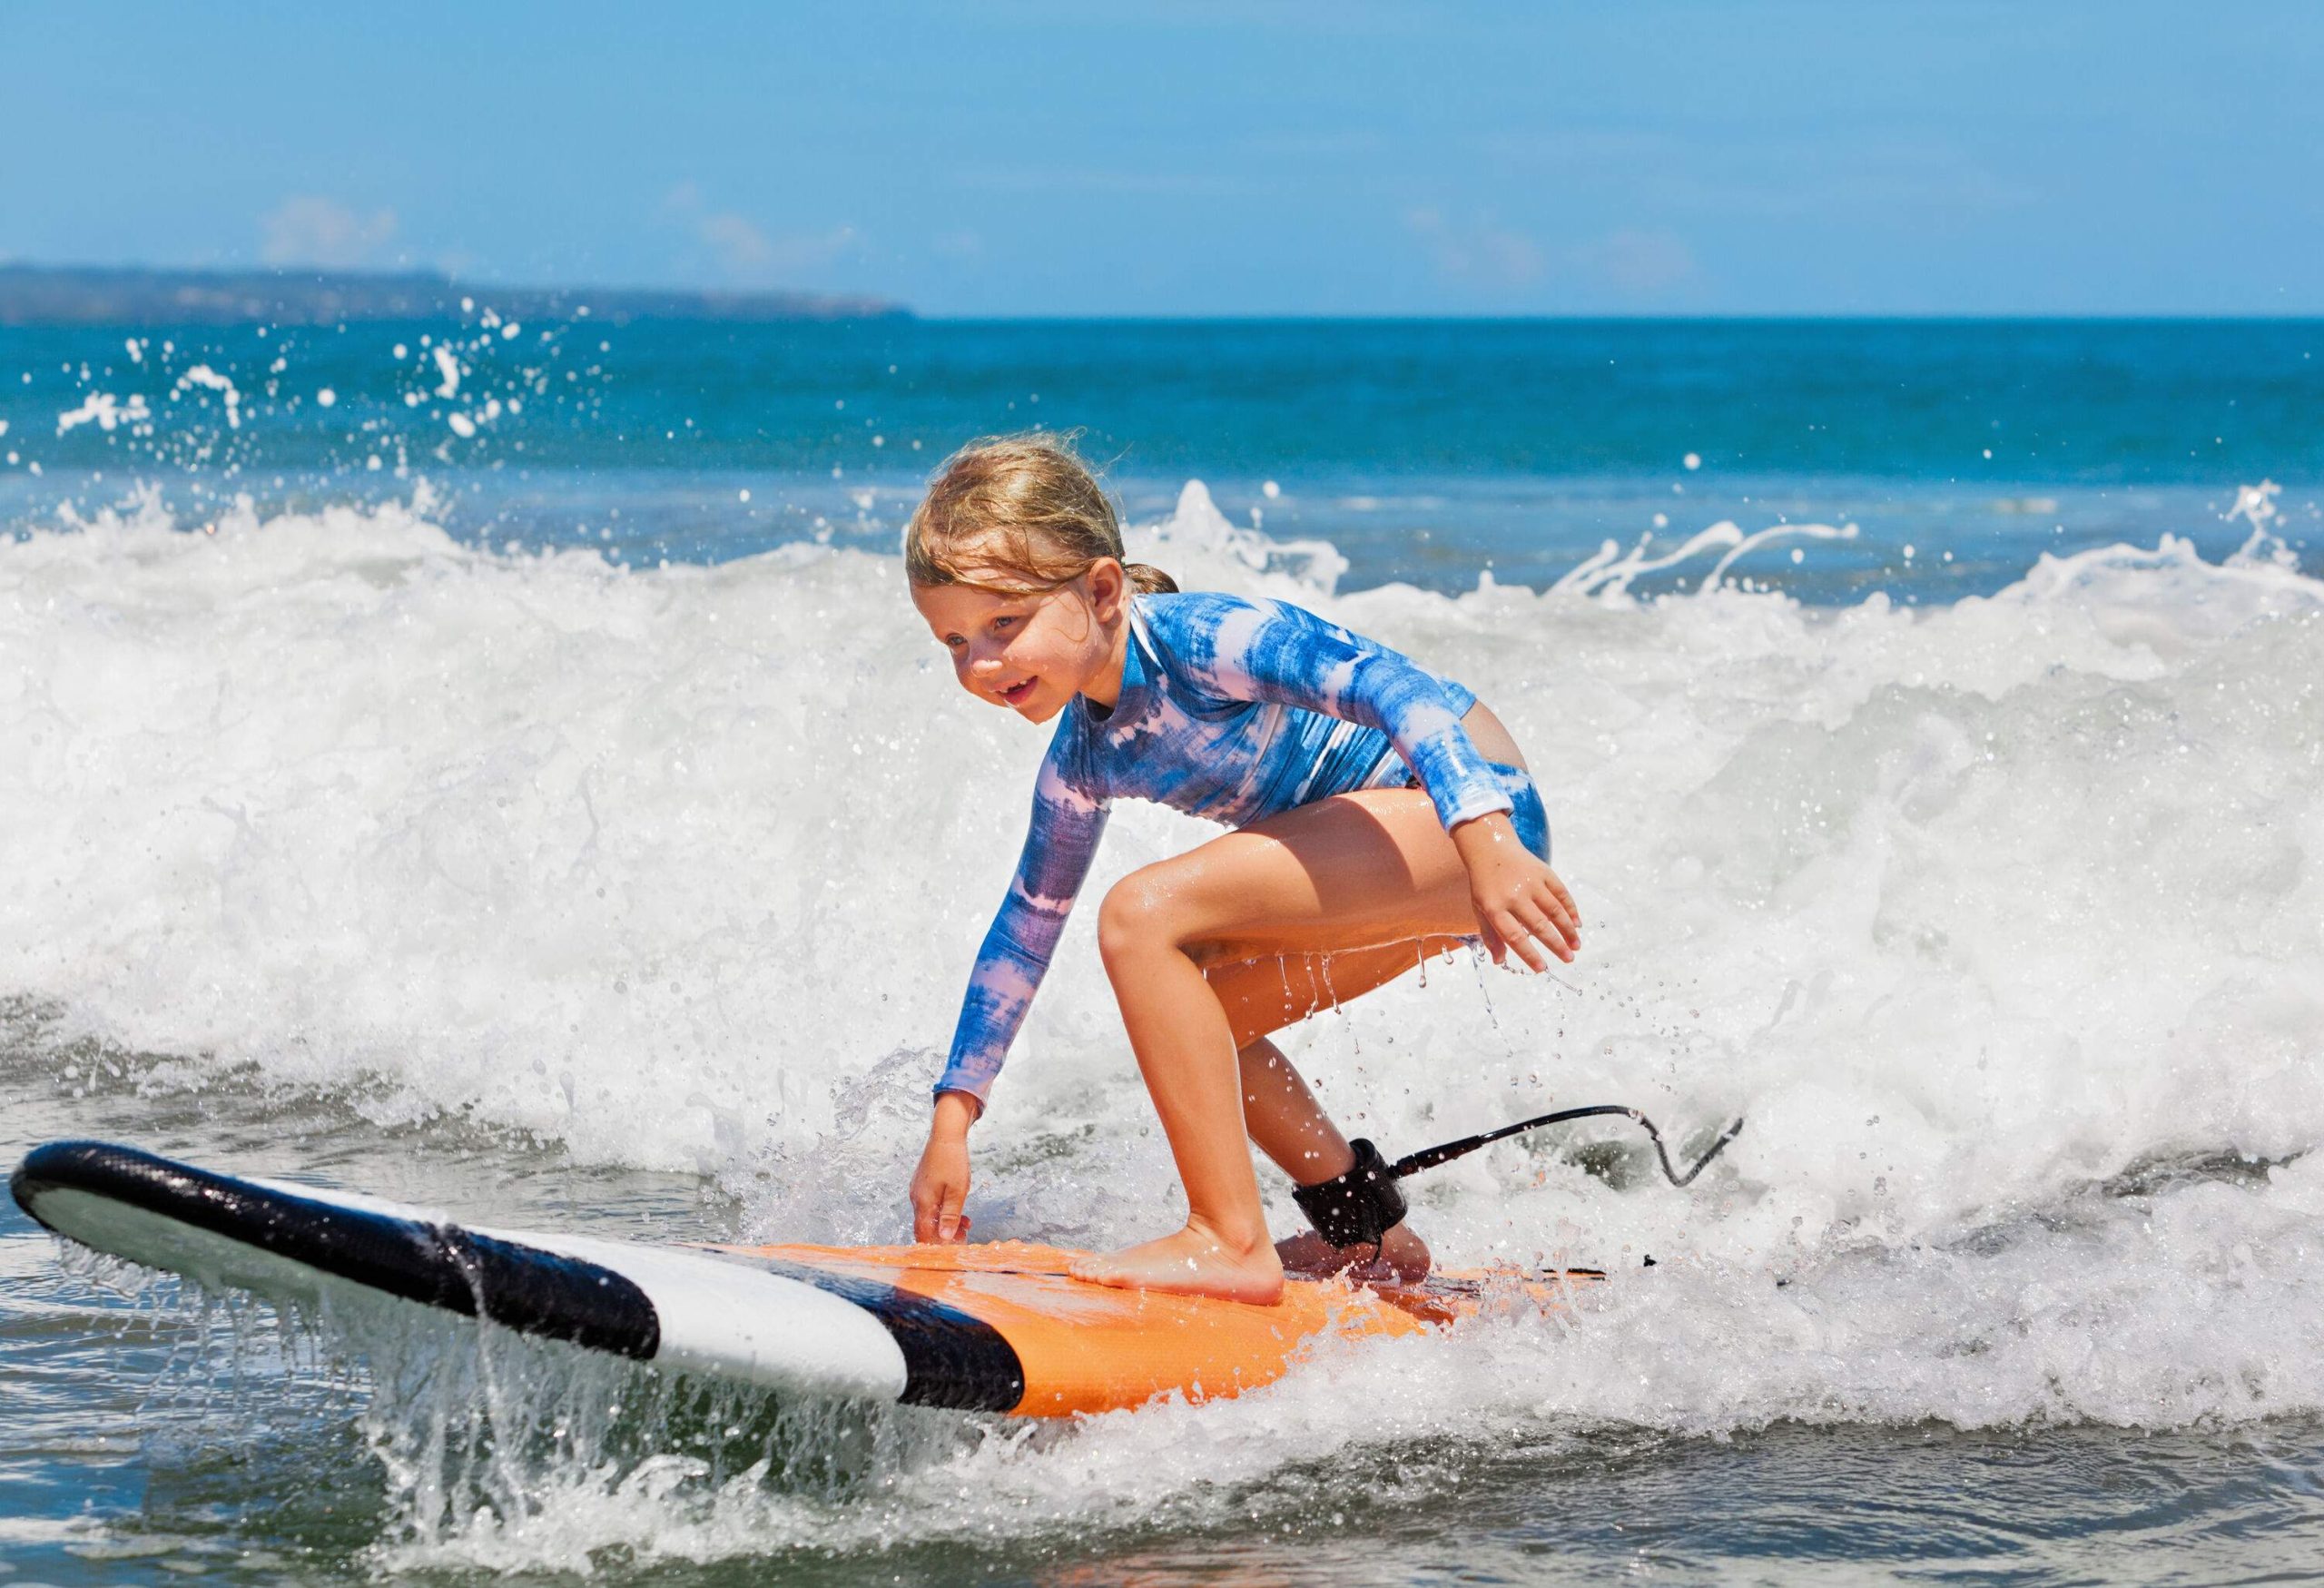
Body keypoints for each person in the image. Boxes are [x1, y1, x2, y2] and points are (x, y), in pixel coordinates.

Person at [903, 434, 1579, 1305]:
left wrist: (1485, 840)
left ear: (1102, 590)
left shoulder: (1203, 640)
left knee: (1139, 915)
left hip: (1468, 815)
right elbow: (1024, 930)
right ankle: (1365, 1231)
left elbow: (1393, 686)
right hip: (1396, 857)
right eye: (954, 641)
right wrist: (953, 1117)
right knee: (1202, 1010)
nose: (982, 663)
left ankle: (1227, 1238)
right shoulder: (1083, 757)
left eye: (1004, 624)